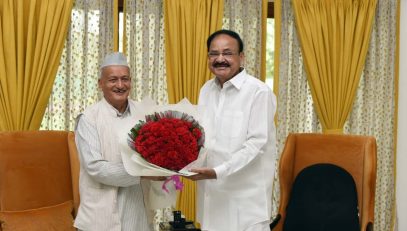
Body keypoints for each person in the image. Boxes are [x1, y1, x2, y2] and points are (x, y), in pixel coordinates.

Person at [188, 30, 277, 231]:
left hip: (245, 205)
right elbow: (202, 137)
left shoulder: (259, 92)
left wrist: (217, 172)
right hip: (212, 200)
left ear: (241, 57)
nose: (220, 59)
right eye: (214, 53)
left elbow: (256, 145)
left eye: (227, 53)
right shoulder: (206, 90)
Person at [74, 52, 163, 231]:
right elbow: (95, 168)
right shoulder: (89, 118)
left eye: (125, 79)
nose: (120, 85)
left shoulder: (146, 113)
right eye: (113, 80)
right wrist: (143, 174)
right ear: (101, 84)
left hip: (138, 208)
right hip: (99, 216)